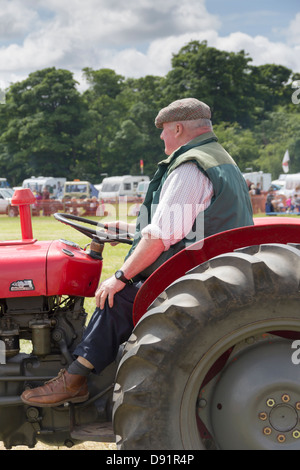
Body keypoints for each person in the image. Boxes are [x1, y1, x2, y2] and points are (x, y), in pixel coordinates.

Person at [21, 98, 254, 407]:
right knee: (120, 291)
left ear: (179, 128)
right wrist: (130, 230)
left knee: (115, 298)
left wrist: (119, 276)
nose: (161, 138)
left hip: (198, 274)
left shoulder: (190, 168)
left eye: (164, 131)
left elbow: (160, 238)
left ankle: (76, 379)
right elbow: (189, 226)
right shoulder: (219, 159)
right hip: (212, 266)